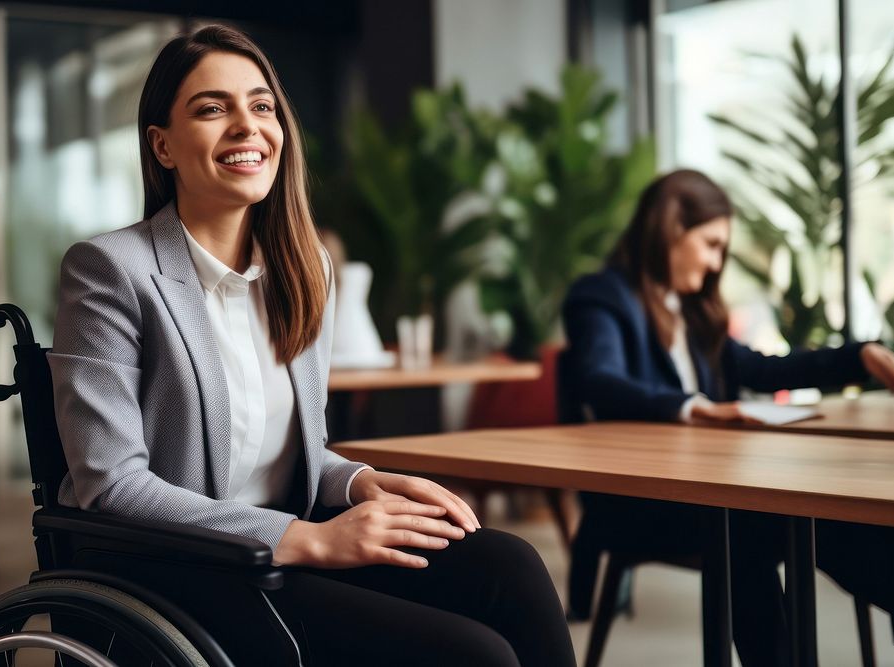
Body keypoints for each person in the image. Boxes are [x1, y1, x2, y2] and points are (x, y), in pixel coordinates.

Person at [48, 25, 574, 667]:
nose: (247, 125)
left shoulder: (304, 267)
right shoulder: (110, 269)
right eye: (213, 109)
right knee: (474, 654)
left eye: (261, 106)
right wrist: (307, 540)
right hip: (178, 568)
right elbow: (112, 485)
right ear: (162, 145)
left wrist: (360, 483)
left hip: (284, 546)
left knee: (509, 564)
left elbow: (295, 457)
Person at [560, 169, 894, 666]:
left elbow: (763, 369)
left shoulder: (690, 310)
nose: (714, 264)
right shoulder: (601, 295)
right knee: (755, 518)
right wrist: (692, 406)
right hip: (641, 497)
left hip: (708, 487)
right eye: (710, 244)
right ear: (670, 228)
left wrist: (856, 358)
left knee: (837, 511)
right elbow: (600, 378)